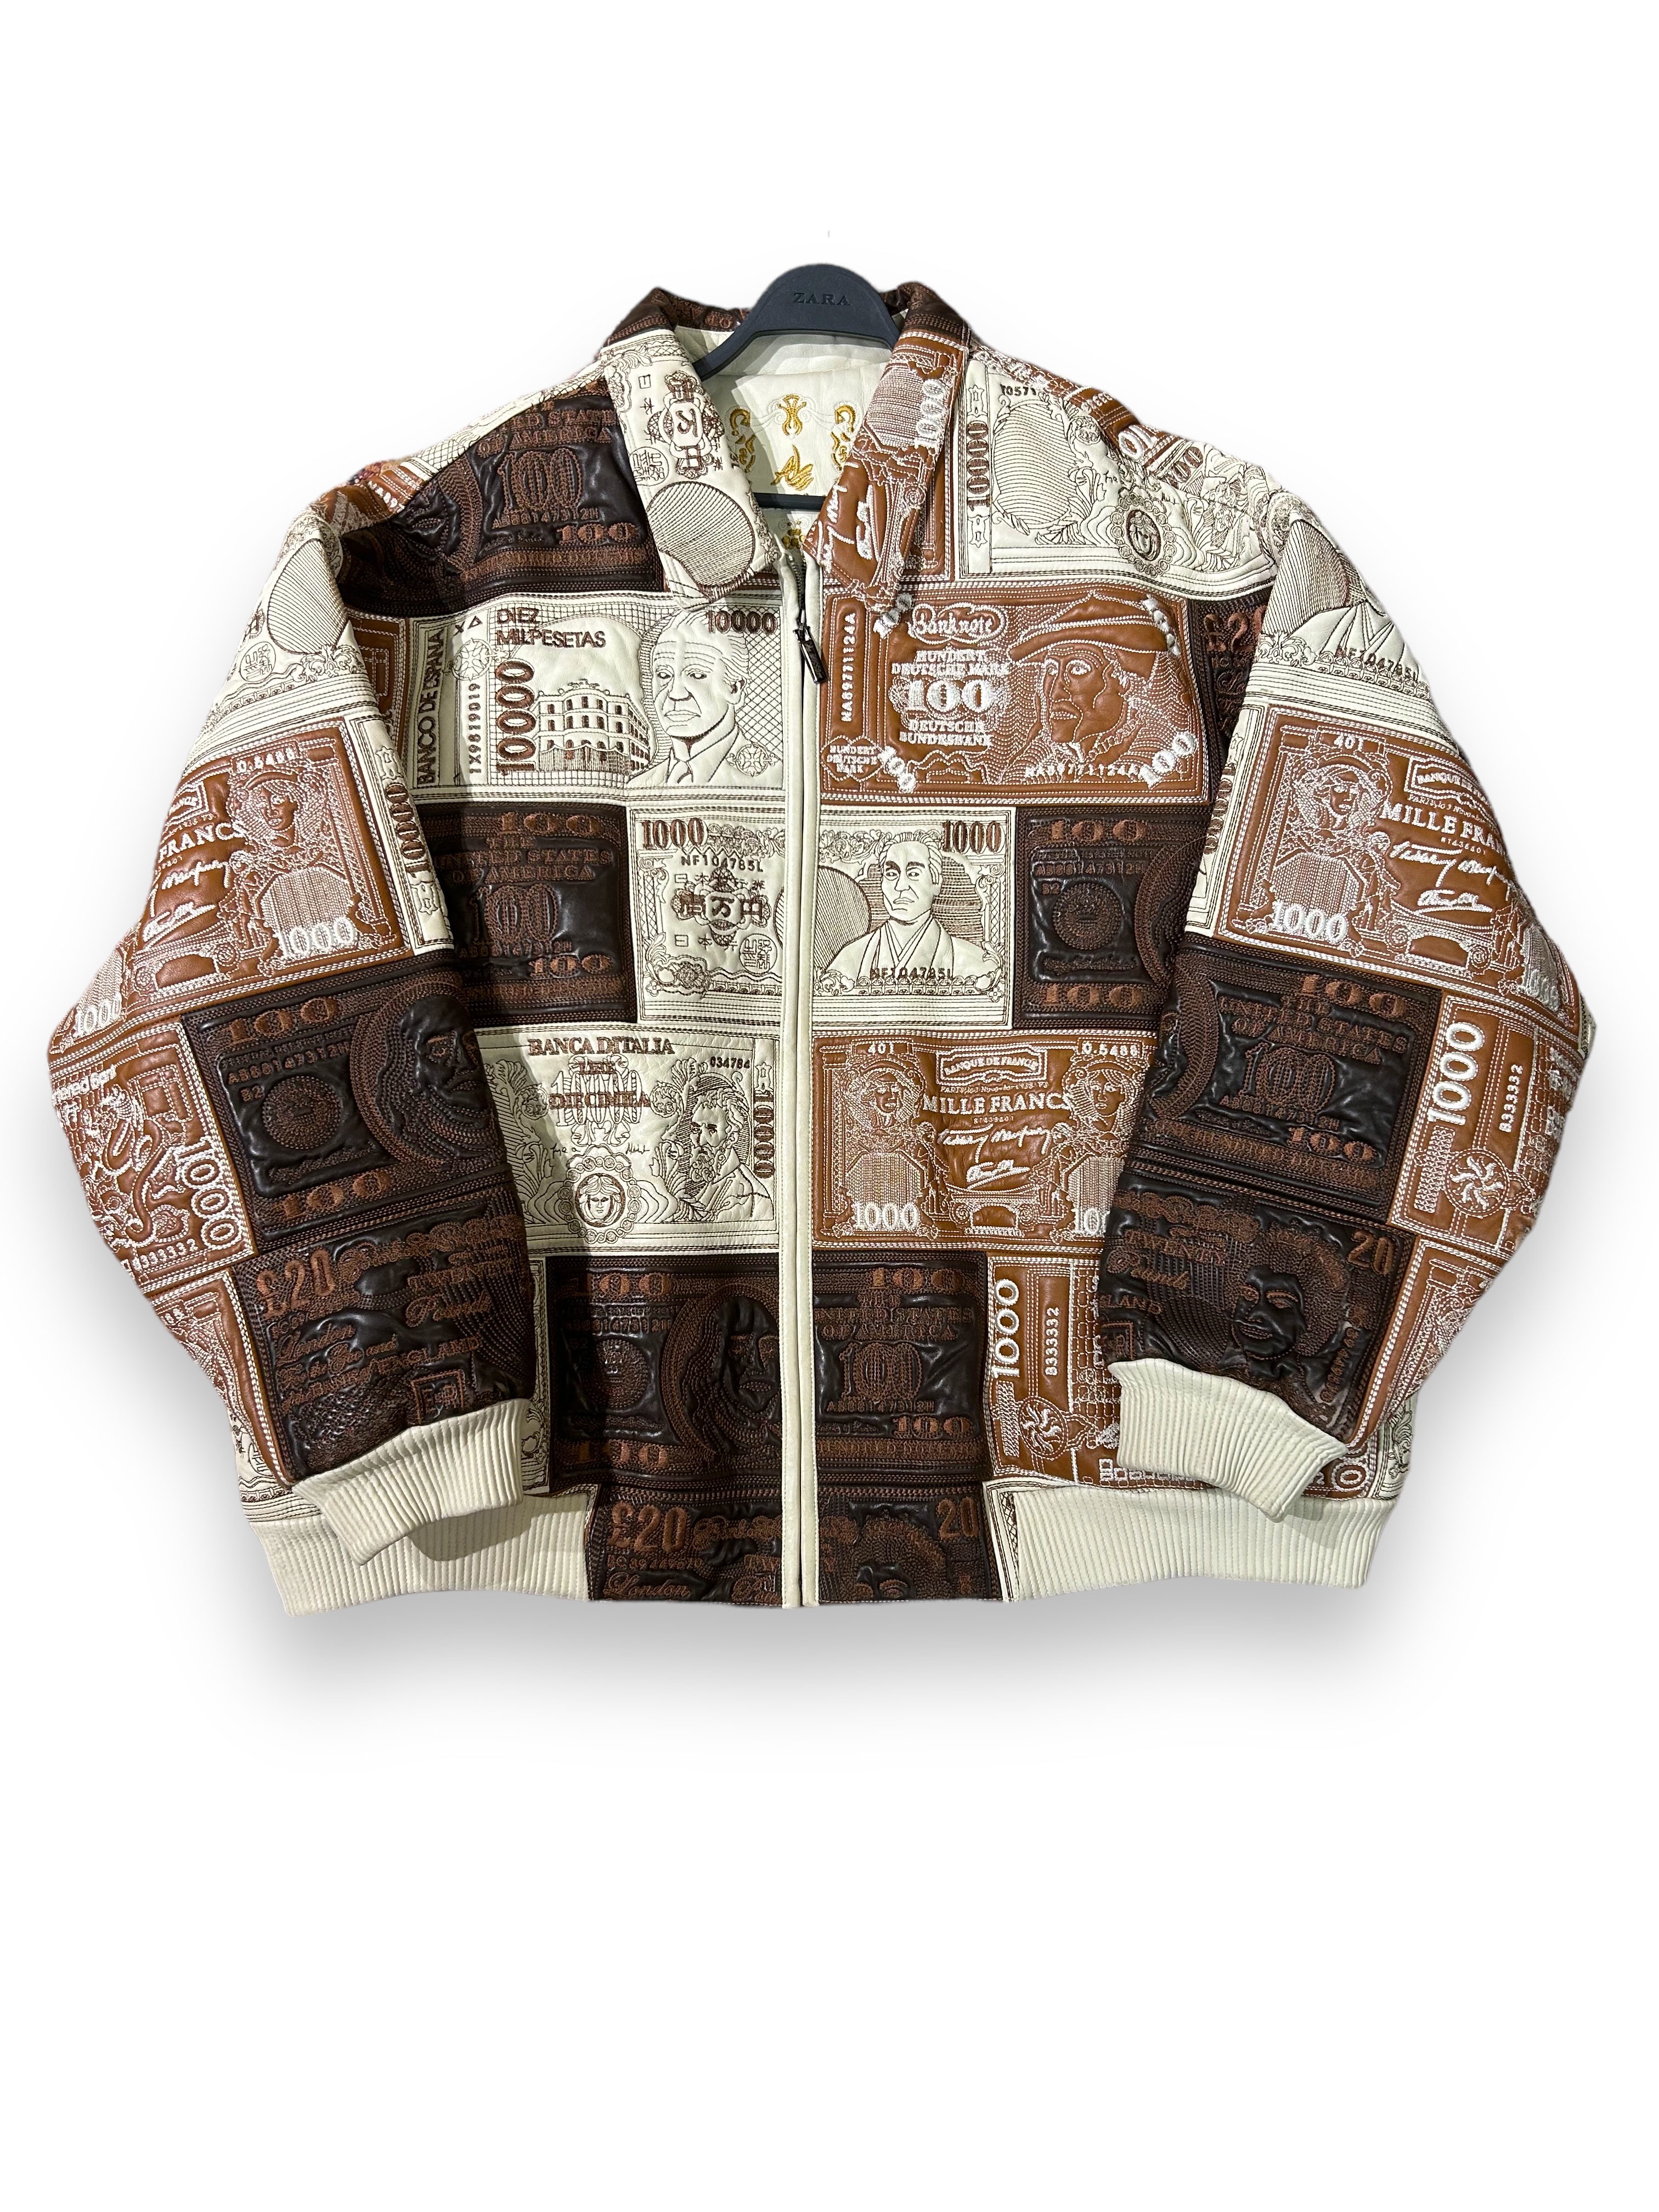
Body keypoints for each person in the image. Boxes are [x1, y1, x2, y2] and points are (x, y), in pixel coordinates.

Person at [633, 610, 777, 787]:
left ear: (734, 688)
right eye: (664, 675)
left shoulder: (775, 778)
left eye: (697, 675)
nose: (676, 694)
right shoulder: (639, 787)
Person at [825, 836, 996, 984]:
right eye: (891, 874)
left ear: (936, 883)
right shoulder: (848, 963)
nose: (900, 886)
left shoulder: (980, 967)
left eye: (914, 874)